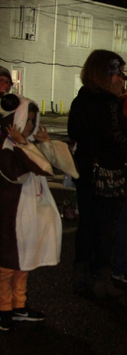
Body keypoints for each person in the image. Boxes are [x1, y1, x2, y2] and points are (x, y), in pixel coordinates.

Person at [0, 96, 77, 330]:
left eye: (34, 121)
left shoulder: (24, 143)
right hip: (10, 212)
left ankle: (19, 305)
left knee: (25, 259)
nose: (31, 126)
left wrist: (43, 143)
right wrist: (26, 145)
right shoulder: (5, 146)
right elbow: (24, 171)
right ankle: (4, 309)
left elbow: (64, 166)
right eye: (27, 120)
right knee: (7, 262)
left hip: (28, 210)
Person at [68, 50, 127, 299]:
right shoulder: (108, 102)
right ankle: (102, 278)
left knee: (87, 224)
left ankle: (82, 275)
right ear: (105, 74)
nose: (122, 79)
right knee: (106, 227)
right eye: (118, 73)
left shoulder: (81, 100)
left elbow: (75, 132)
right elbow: (114, 137)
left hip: (85, 170)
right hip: (108, 173)